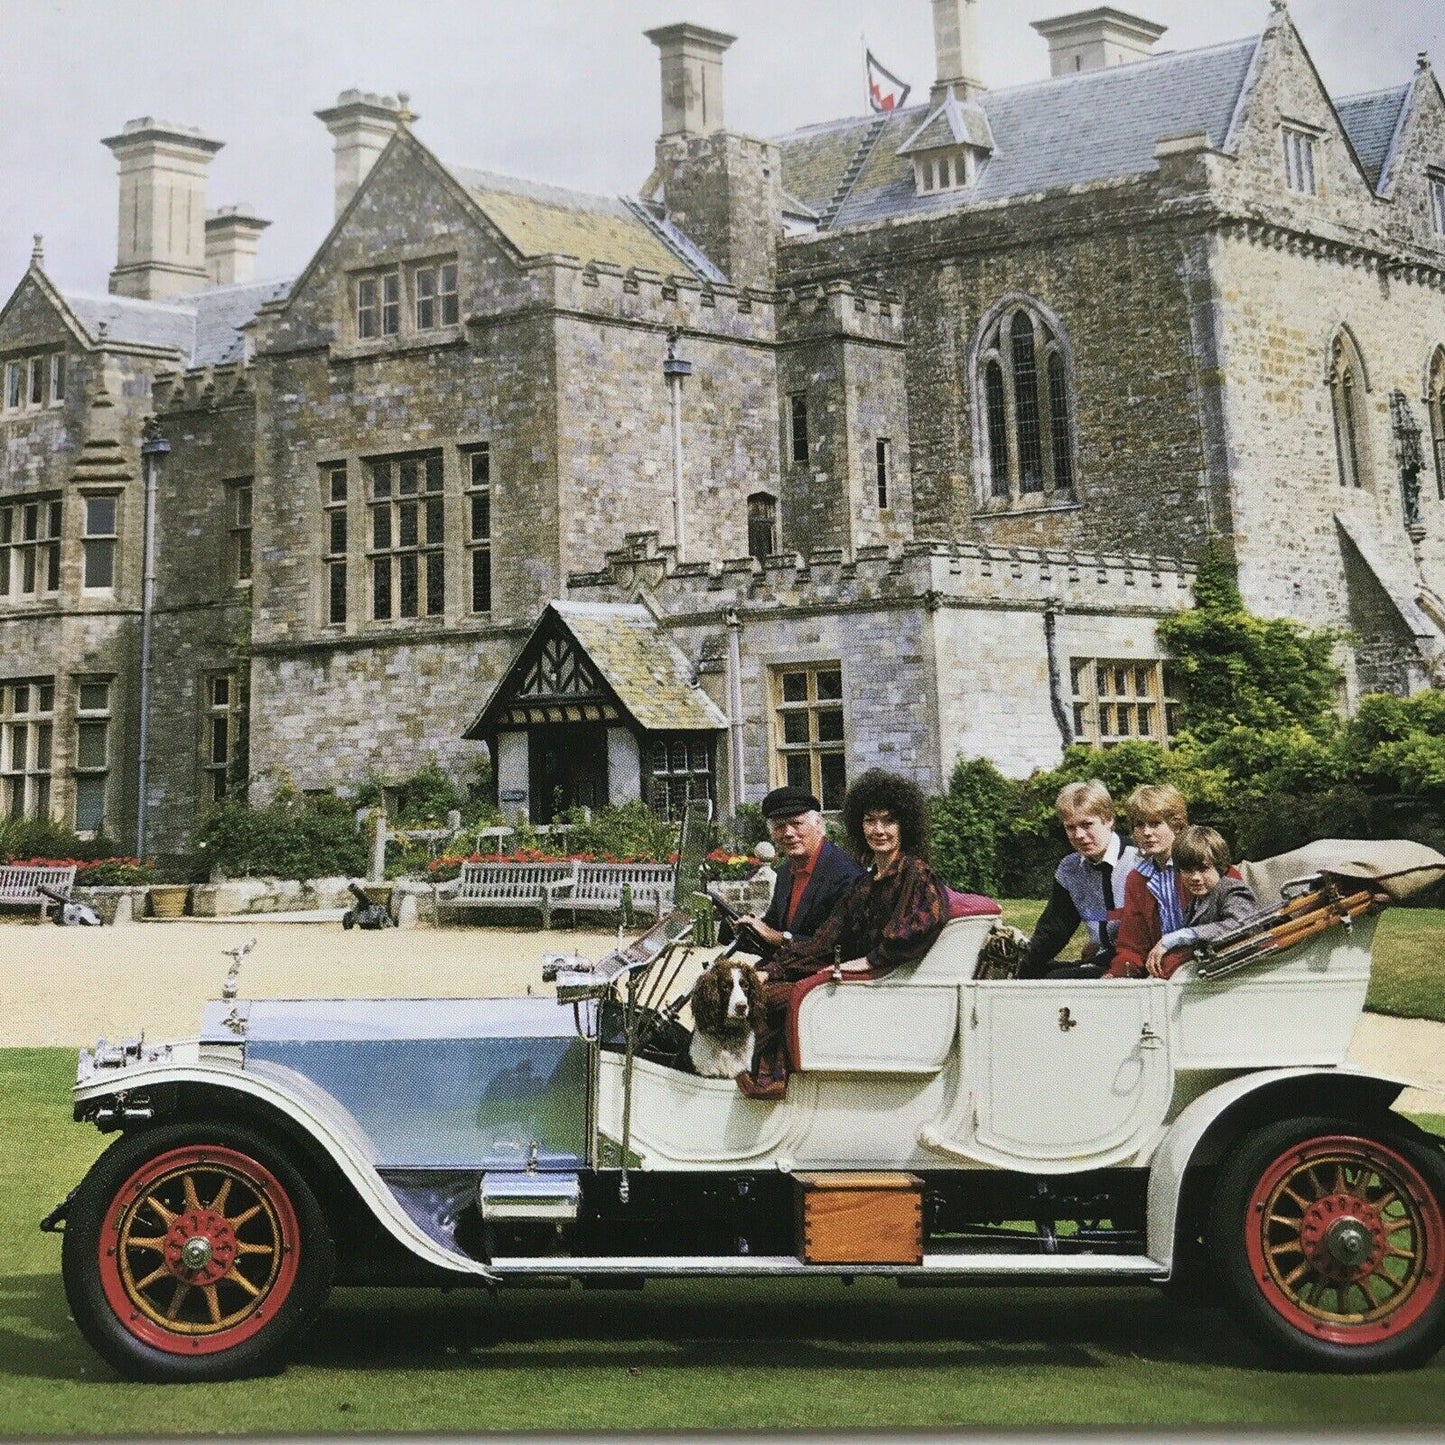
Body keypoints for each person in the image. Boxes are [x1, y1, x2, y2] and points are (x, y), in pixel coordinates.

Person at [740, 770, 950, 1098]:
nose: (878, 830)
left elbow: (922, 925)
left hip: (880, 983)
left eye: (889, 821)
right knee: (754, 987)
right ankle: (764, 1077)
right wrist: (772, 970)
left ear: (904, 825)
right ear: (859, 824)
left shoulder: (917, 876)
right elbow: (826, 940)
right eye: (870, 821)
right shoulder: (864, 883)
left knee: (764, 998)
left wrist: (867, 962)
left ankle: (771, 1081)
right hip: (854, 975)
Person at [1021, 779, 1139, 979]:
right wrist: (1022, 965)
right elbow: (1054, 929)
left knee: (1055, 981)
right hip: (1102, 957)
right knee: (1030, 974)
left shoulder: (1137, 860)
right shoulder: (1070, 869)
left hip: (1133, 960)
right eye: (1070, 827)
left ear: (1109, 819)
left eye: (1086, 825)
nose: (1079, 835)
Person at [730, 785, 864, 958]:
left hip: (824, 972)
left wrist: (779, 938)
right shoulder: (786, 870)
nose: (788, 833)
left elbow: (835, 946)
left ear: (818, 824)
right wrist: (744, 925)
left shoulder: (846, 874)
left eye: (796, 824)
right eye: (779, 826)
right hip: (789, 965)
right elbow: (772, 923)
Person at [1140, 825, 1257, 979]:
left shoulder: (1232, 889)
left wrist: (1179, 936)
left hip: (1244, 975)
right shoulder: (1194, 905)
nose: (1195, 877)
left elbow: (1241, 924)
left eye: (1203, 869)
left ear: (1219, 866)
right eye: (1188, 870)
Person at [1107, 783, 1190, 979]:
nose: (1146, 832)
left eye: (1154, 823)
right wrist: (1116, 975)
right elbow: (1132, 945)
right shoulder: (1137, 879)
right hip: (1160, 974)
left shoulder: (1201, 865)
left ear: (1176, 826)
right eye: (1139, 825)